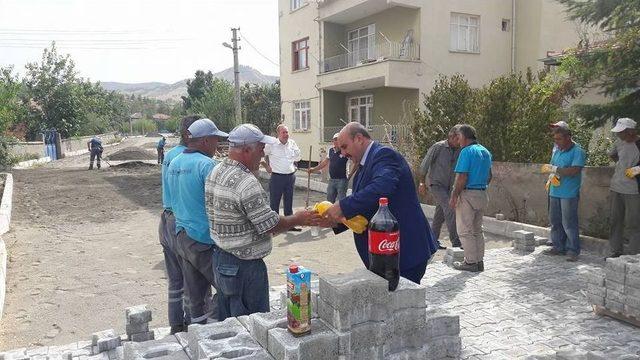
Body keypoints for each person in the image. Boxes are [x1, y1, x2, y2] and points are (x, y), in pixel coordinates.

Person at [206, 124, 322, 320]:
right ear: (246, 151)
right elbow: (269, 224)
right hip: (244, 266)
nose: (262, 156)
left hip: (221, 259)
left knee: (230, 322)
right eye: (260, 150)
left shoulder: (216, 170)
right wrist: (298, 218)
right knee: (255, 325)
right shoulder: (246, 182)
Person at [322, 122, 438, 284]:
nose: (342, 153)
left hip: (404, 253)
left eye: (344, 147)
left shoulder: (384, 155)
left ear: (359, 139)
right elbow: (367, 206)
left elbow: (381, 188)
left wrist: (342, 206)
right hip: (385, 257)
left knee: (401, 305)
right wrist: (334, 220)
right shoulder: (364, 164)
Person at [167, 118, 228, 324]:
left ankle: (197, 334)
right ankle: (217, 331)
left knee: (196, 298)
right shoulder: (207, 165)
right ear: (204, 141)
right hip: (204, 239)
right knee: (227, 288)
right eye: (215, 140)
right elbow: (219, 203)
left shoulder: (174, 163)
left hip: (181, 237)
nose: (217, 145)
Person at [159, 115, 200, 334]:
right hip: (180, 222)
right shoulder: (187, 158)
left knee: (175, 280)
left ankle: (176, 325)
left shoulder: (170, 156)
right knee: (192, 280)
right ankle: (193, 325)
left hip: (166, 218)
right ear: (188, 135)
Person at [449, 125, 492, 272]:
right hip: (482, 193)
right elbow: (489, 176)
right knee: (477, 230)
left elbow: (462, 177)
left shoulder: (466, 152)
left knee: (465, 231)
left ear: (465, 137)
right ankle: (479, 262)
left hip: (468, 194)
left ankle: (470, 262)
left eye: (459, 137)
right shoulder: (485, 151)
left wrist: (454, 195)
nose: (458, 140)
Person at [541, 125, 587, 262]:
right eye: (555, 139)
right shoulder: (558, 151)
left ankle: (573, 250)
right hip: (555, 190)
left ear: (568, 138)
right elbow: (553, 167)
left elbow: (574, 171)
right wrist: (551, 174)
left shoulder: (578, 151)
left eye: (559, 139)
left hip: (569, 193)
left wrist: (555, 169)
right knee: (555, 221)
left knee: (569, 222)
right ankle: (558, 246)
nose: (556, 142)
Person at [418, 125, 462, 249]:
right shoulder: (438, 147)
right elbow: (424, 165)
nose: (459, 141)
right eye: (458, 138)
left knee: (440, 214)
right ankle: (456, 243)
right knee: (449, 208)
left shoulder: (460, 150)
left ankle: (432, 241)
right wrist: (421, 182)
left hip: (450, 187)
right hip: (436, 185)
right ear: (451, 137)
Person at [607, 117, 640, 257]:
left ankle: (634, 254)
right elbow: (613, 155)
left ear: (630, 132)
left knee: (634, 223)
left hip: (633, 190)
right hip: (616, 187)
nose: (618, 135)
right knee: (615, 221)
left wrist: (637, 170)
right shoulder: (619, 142)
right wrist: (621, 166)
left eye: (621, 132)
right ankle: (616, 251)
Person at [263, 125, 302, 231]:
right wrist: (266, 166)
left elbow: (298, 157)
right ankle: (274, 226)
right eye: (283, 132)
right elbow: (261, 155)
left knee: (289, 201)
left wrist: (295, 159)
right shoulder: (272, 144)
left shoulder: (292, 143)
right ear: (278, 134)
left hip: (290, 176)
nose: (286, 135)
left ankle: (289, 225)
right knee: (274, 203)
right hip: (277, 177)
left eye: (287, 132)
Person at [308, 132, 350, 203]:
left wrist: (350, 175)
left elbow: (355, 161)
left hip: (342, 180)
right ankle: (330, 214)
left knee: (342, 201)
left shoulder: (345, 150)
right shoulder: (331, 150)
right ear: (333, 141)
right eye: (335, 139)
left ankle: (342, 214)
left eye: (338, 139)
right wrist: (313, 169)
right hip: (332, 180)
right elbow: (324, 162)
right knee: (329, 200)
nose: (337, 141)